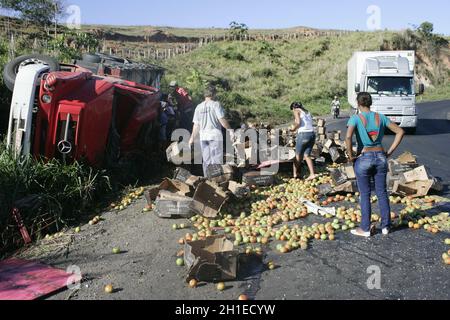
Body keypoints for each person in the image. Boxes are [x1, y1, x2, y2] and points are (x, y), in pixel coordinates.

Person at [345, 92, 405, 238]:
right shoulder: (381, 117)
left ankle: (365, 228)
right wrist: (389, 152)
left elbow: (347, 137)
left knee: (365, 194)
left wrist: (351, 156)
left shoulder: (355, 118)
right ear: (370, 103)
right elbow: (400, 131)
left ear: (358, 104)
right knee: (382, 192)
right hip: (380, 157)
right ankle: (386, 226)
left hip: (364, 157)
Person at [189, 85, 233, 177]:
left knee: (206, 161)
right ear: (213, 94)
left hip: (203, 138)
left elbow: (196, 125)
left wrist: (191, 139)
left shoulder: (198, 107)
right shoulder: (215, 104)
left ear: (205, 95)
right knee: (216, 161)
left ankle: (208, 182)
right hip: (215, 136)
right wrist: (230, 130)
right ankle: (217, 182)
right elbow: (222, 119)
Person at [290, 102, 316, 180]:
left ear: (293, 108)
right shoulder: (307, 112)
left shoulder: (296, 111)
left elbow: (298, 122)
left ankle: (295, 174)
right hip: (312, 134)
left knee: (297, 155)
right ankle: (312, 174)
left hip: (303, 135)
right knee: (307, 155)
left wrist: (293, 129)